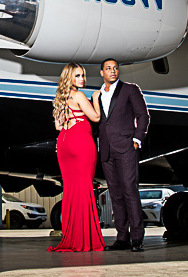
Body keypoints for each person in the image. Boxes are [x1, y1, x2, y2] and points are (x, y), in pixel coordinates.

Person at [92, 58, 150, 252]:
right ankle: (122, 238)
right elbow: (100, 122)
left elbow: (143, 115)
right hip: (107, 150)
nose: (113, 71)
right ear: (102, 73)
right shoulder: (98, 95)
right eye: (108, 68)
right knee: (115, 194)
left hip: (126, 147)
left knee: (130, 191)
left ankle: (137, 238)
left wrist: (138, 138)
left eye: (115, 68)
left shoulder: (130, 89)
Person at [48, 63, 105, 252]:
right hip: (81, 142)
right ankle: (85, 239)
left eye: (83, 75)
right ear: (70, 78)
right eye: (78, 76)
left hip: (64, 143)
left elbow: (58, 126)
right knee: (85, 189)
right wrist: (96, 98)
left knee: (72, 191)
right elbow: (95, 117)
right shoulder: (80, 96)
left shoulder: (60, 97)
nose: (82, 79)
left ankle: (72, 238)